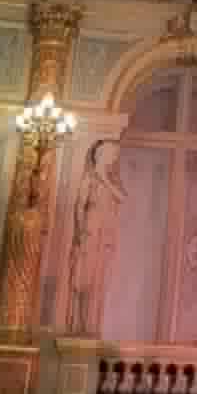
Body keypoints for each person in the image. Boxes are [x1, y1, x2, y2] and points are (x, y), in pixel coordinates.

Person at [66, 138, 126, 338]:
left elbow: (121, 197)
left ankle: (90, 326)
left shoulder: (111, 180)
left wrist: (104, 179)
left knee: (99, 280)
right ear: (102, 155)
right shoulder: (89, 179)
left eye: (115, 155)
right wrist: (80, 230)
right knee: (84, 278)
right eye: (112, 154)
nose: (114, 158)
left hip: (105, 234)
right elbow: (79, 206)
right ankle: (78, 325)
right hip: (91, 230)